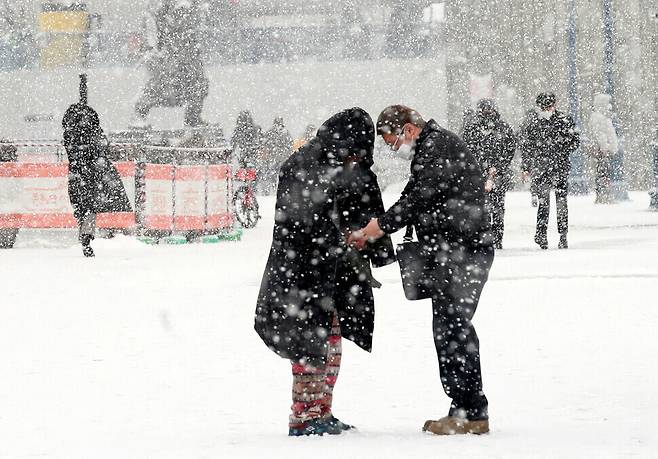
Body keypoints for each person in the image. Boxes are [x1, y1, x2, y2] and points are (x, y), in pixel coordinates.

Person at [350, 105, 494, 435]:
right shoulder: (434, 146)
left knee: (452, 329)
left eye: (391, 142)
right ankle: (469, 408)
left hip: (462, 252)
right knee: (452, 328)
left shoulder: (437, 146)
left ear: (408, 130)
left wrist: (379, 227)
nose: (392, 149)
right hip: (457, 251)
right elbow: (416, 193)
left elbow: (418, 198)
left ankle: (468, 410)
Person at [254, 107, 395, 436]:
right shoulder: (311, 164)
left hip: (324, 271)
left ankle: (322, 409)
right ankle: (304, 415)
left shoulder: (331, 161)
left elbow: (358, 202)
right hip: (305, 272)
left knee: (330, 339)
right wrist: (340, 238)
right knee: (310, 341)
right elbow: (306, 220)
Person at [62, 84, 132, 257]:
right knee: (89, 208)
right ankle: (87, 237)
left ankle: (85, 236)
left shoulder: (70, 137)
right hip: (89, 178)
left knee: (82, 207)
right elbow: (99, 149)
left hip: (77, 177)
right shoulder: (90, 140)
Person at [133, 0, 209, 127]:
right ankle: (139, 115)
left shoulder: (190, 7)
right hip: (169, 51)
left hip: (187, 51)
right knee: (159, 85)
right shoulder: (166, 8)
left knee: (199, 84)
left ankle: (193, 117)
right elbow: (152, 21)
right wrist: (153, 47)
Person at [520, 92, 580, 250]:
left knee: (552, 203)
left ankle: (556, 234)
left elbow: (574, 141)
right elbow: (527, 146)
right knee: (550, 202)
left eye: (549, 105)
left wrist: (561, 148)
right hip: (550, 167)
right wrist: (526, 166)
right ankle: (547, 234)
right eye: (545, 106)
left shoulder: (538, 122)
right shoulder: (559, 121)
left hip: (551, 167)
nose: (547, 109)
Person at [463, 99, 516, 249]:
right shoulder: (476, 129)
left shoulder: (476, 128)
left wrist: (497, 167)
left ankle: (494, 238)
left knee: (492, 206)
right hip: (483, 173)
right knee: (490, 207)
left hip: (492, 173)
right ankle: (491, 237)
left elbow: (510, 149)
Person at [588, 93, 618, 204]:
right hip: (602, 151)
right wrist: (605, 147)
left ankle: (604, 194)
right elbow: (600, 134)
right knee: (603, 172)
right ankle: (603, 195)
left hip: (604, 150)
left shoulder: (603, 117)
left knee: (604, 171)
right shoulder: (598, 117)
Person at [259, 117, 293, 194]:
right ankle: (278, 190)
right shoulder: (286, 133)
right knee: (280, 175)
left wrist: (267, 156)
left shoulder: (270, 132)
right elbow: (289, 146)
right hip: (282, 159)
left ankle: (268, 191)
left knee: (270, 176)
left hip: (273, 159)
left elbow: (265, 146)